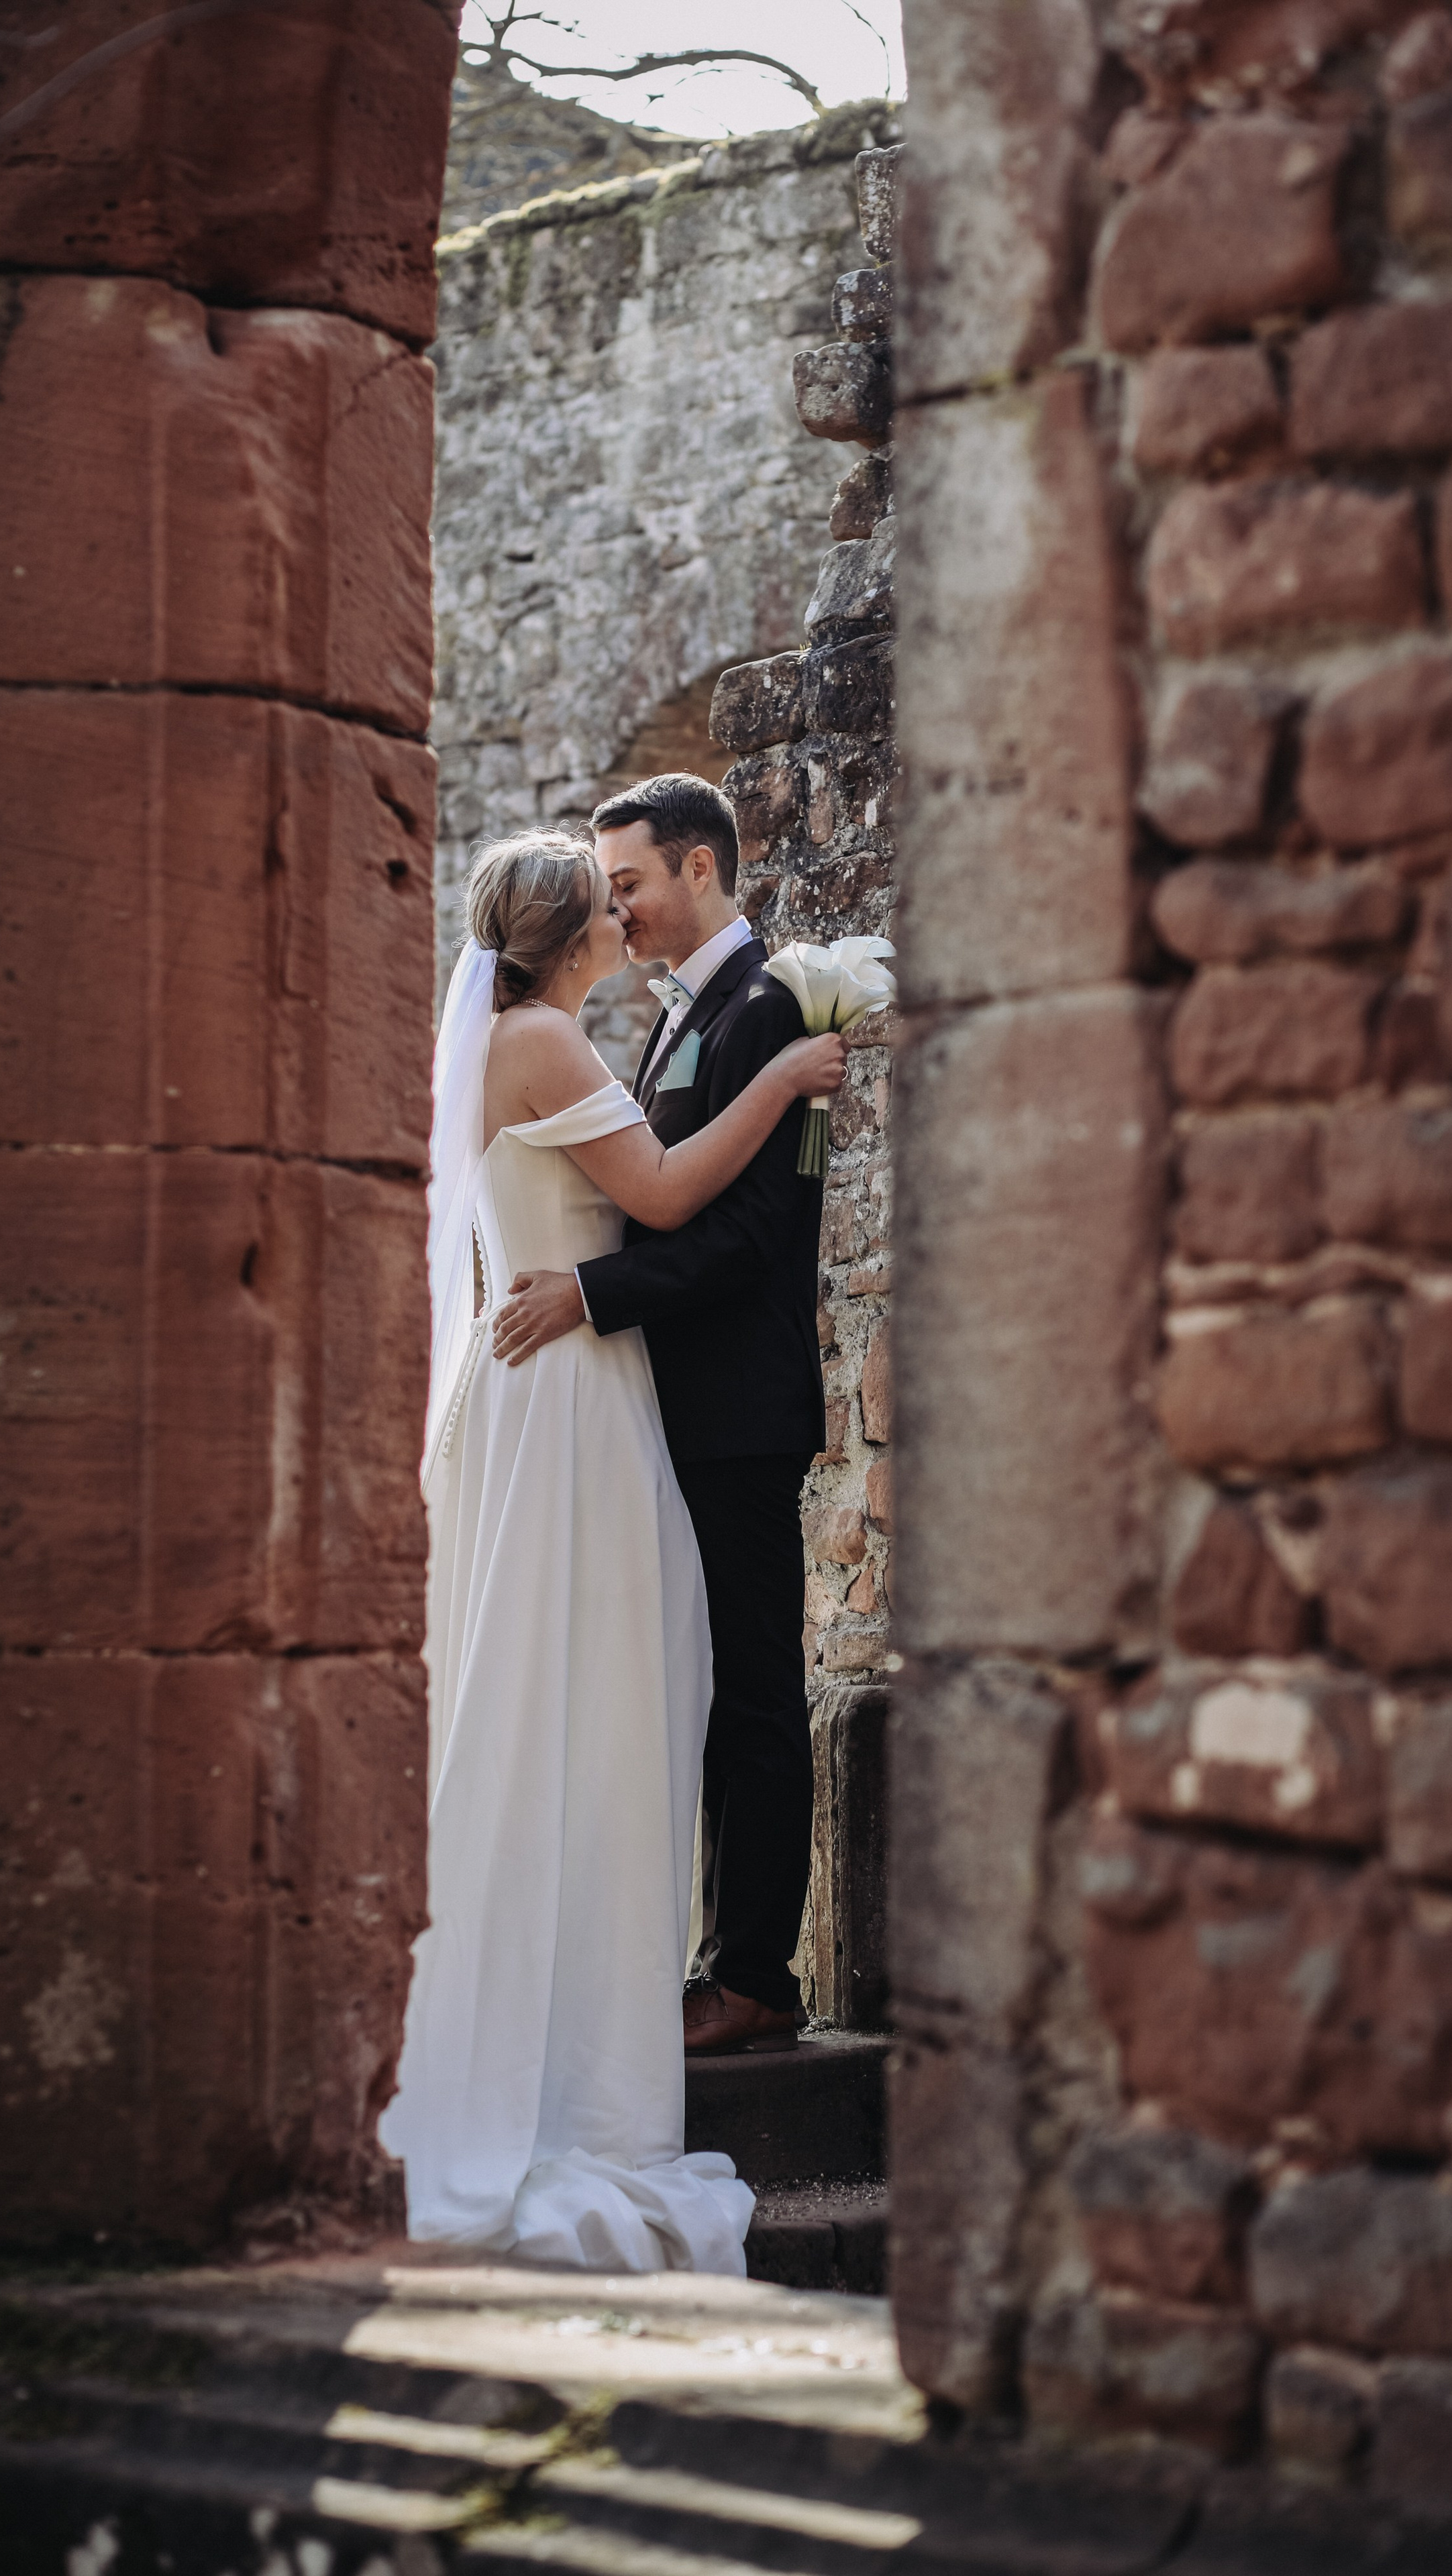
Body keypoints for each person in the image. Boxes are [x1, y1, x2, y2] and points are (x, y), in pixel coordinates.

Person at [378, 827, 844, 2273]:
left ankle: (553, 2004)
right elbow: (656, 1195)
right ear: (577, 932)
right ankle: (570, 2048)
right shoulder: (544, 1047)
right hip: (570, 1409)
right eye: (609, 898)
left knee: (544, 1703)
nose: (624, 913)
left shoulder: (508, 1040)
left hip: (534, 1401)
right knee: (590, 1709)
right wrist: (784, 1074)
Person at [492, 775, 827, 2059]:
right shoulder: (673, 1018)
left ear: (698, 869)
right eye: (601, 889)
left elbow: (752, 1240)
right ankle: (699, 1957)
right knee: (682, 1685)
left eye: (628, 882)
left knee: (751, 1689)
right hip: (658, 1403)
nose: (615, 907)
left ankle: (755, 1977)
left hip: (736, 1407)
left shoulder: (771, 1010)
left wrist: (592, 1292)